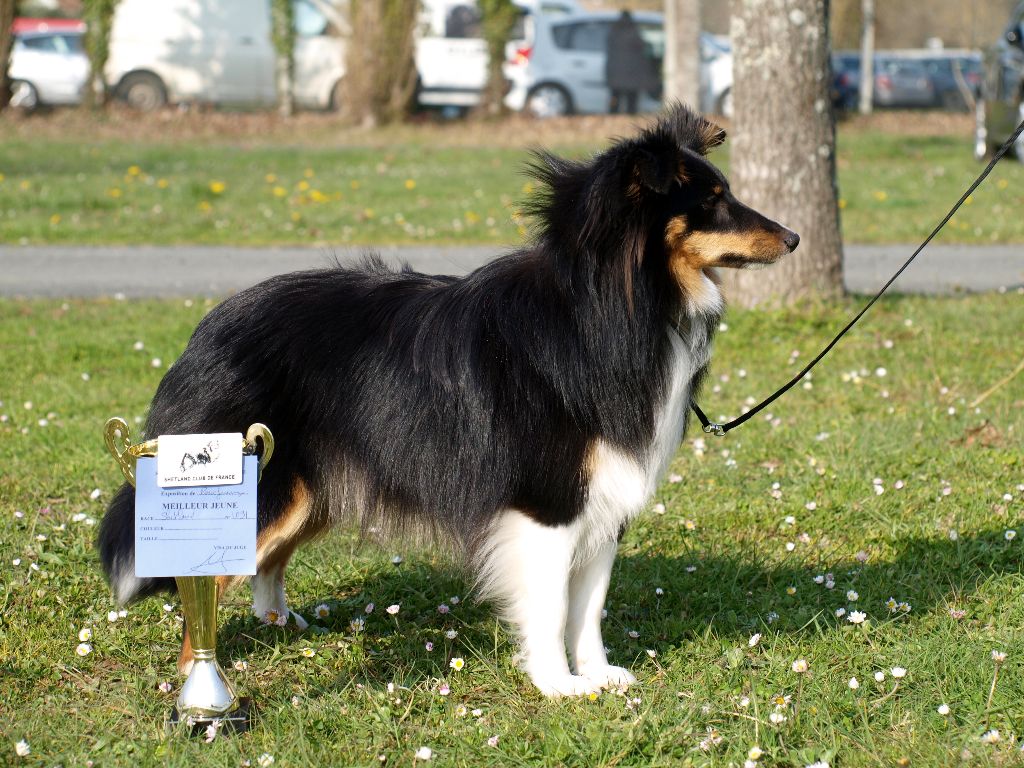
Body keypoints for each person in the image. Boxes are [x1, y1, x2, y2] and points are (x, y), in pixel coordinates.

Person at [605, 10, 659, 114]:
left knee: (615, 96)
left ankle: (612, 113)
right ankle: (630, 114)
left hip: (615, 72)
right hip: (631, 73)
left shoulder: (613, 31)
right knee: (631, 98)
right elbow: (642, 46)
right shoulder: (634, 31)